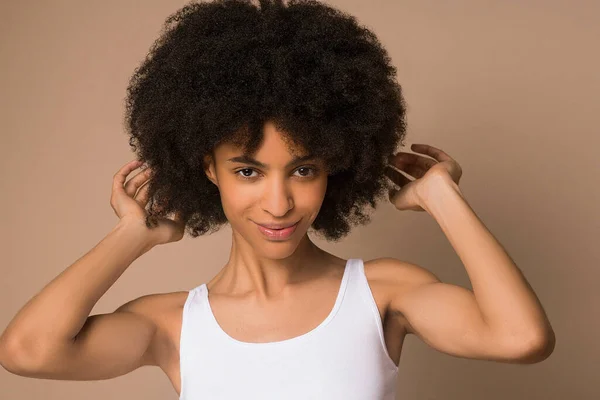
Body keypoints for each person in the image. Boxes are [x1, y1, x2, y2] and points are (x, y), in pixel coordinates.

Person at [0, 0, 555, 399]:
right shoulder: (173, 324)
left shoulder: (383, 293)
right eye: (248, 170)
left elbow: (522, 338)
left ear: (335, 163)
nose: (279, 201)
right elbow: (27, 351)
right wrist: (133, 235)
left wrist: (440, 195)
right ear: (207, 168)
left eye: (303, 169)